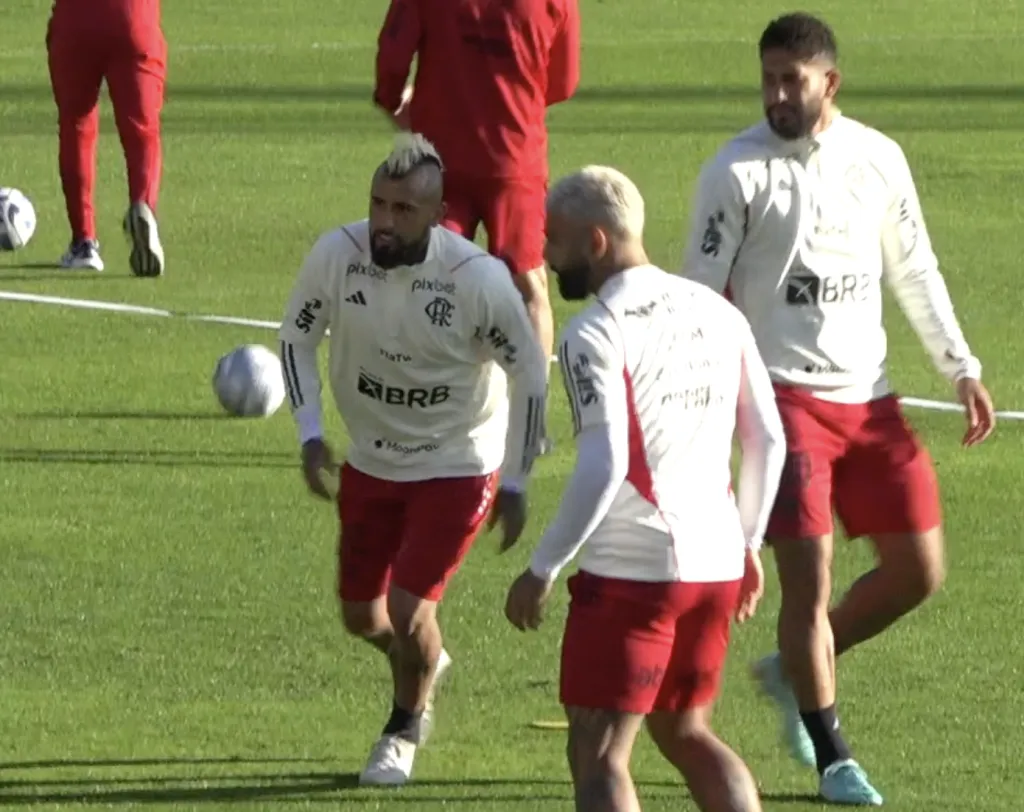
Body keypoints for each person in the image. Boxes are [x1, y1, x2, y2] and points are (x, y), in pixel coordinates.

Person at [680, 12, 996, 806]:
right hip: (783, 399)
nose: (777, 96)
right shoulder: (735, 171)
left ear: (831, 82)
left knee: (919, 570)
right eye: (768, 80)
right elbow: (699, 297)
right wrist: (702, 406)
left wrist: (960, 367)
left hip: (870, 396)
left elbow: (914, 267)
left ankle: (791, 671)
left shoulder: (877, 158)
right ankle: (833, 757)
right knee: (809, 583)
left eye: (793, 80)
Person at [505, 166, 787, 812]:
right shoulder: (719, 311)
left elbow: (604, 464)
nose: (547, 256)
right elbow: (769, 439)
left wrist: (542, 568)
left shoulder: (595, 331)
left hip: (636, 574)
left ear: (596, 242)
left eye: (556, 240)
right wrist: (748, 544)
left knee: (600, 751)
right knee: (687, 732)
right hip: (716, 566)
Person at [277, 133, 548, 787]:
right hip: (372, 460)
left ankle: (401, 730)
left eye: (402, 209)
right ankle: (423, 660)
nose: (384, 221)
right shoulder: (338, 256)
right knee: (361, 616)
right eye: (378, 203)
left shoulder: (475, 279)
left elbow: (531, 374)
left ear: (437, 214)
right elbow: (296, 338)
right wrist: (310, 434)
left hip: (458, 462)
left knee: (408, 608)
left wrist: (516, 480)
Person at [373, 0, 581, 421]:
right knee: (528, 286)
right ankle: (530, 418)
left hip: (439, 163)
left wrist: (395, 102)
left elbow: (392, 59)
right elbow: (562, 82)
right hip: (514, 160)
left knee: (427, 278)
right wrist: (509, 103)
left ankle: (422, 409)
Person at [46, 0, 167, 276]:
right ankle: (144, 205)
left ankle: (84, 242)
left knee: (76, 125)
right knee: (142, 131)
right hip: (134, 16)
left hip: (76, 18)